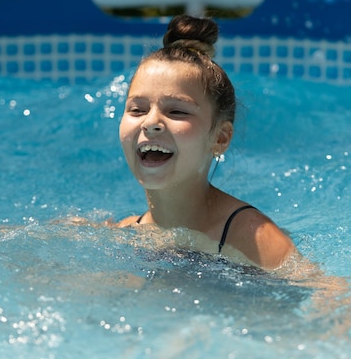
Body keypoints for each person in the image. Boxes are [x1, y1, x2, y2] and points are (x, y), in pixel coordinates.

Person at [116, 15, 299, 270]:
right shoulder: (129, 231)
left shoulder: (252, 236)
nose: (151, 122)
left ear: (220, 138)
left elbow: (328, 297)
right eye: (137, 110)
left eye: (177, 112)